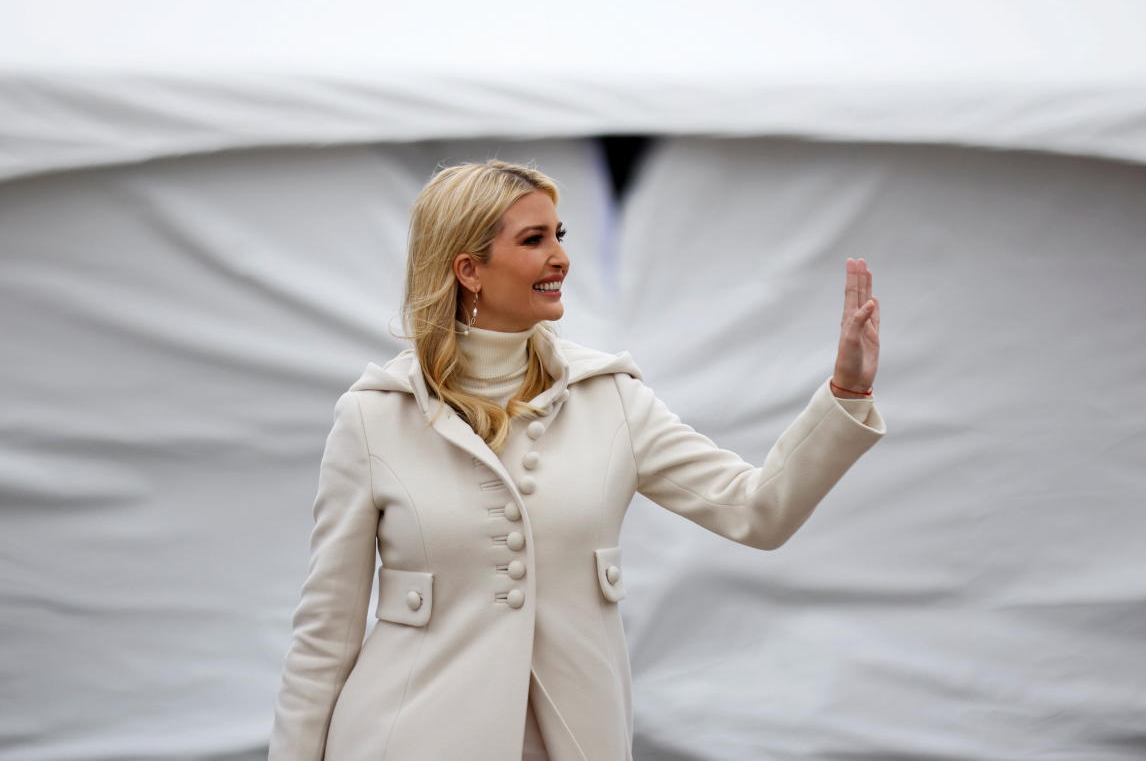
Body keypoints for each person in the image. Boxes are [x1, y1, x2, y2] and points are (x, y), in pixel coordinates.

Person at [268, 159, 885, 760]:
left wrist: (846, 394)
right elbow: (326, 633)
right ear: (468, 270)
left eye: (558, 235)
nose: (560, 256)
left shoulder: (611, 398)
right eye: (533, 239)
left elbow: (759, 511)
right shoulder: (374, 416)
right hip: (401, 738)